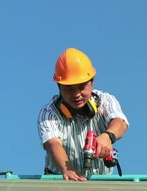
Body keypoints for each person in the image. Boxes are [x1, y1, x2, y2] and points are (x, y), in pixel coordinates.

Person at [38, 48, 129, 181]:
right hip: (61, 184)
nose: (76, 94)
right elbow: (53, 144)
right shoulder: (48, 113)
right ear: (59, 86)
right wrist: (67, 169)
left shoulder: (106, 101)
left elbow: (120, 122)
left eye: (81, 87)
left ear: (91, 82)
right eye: (69, 88)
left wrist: (107, 136)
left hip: (100, 185)